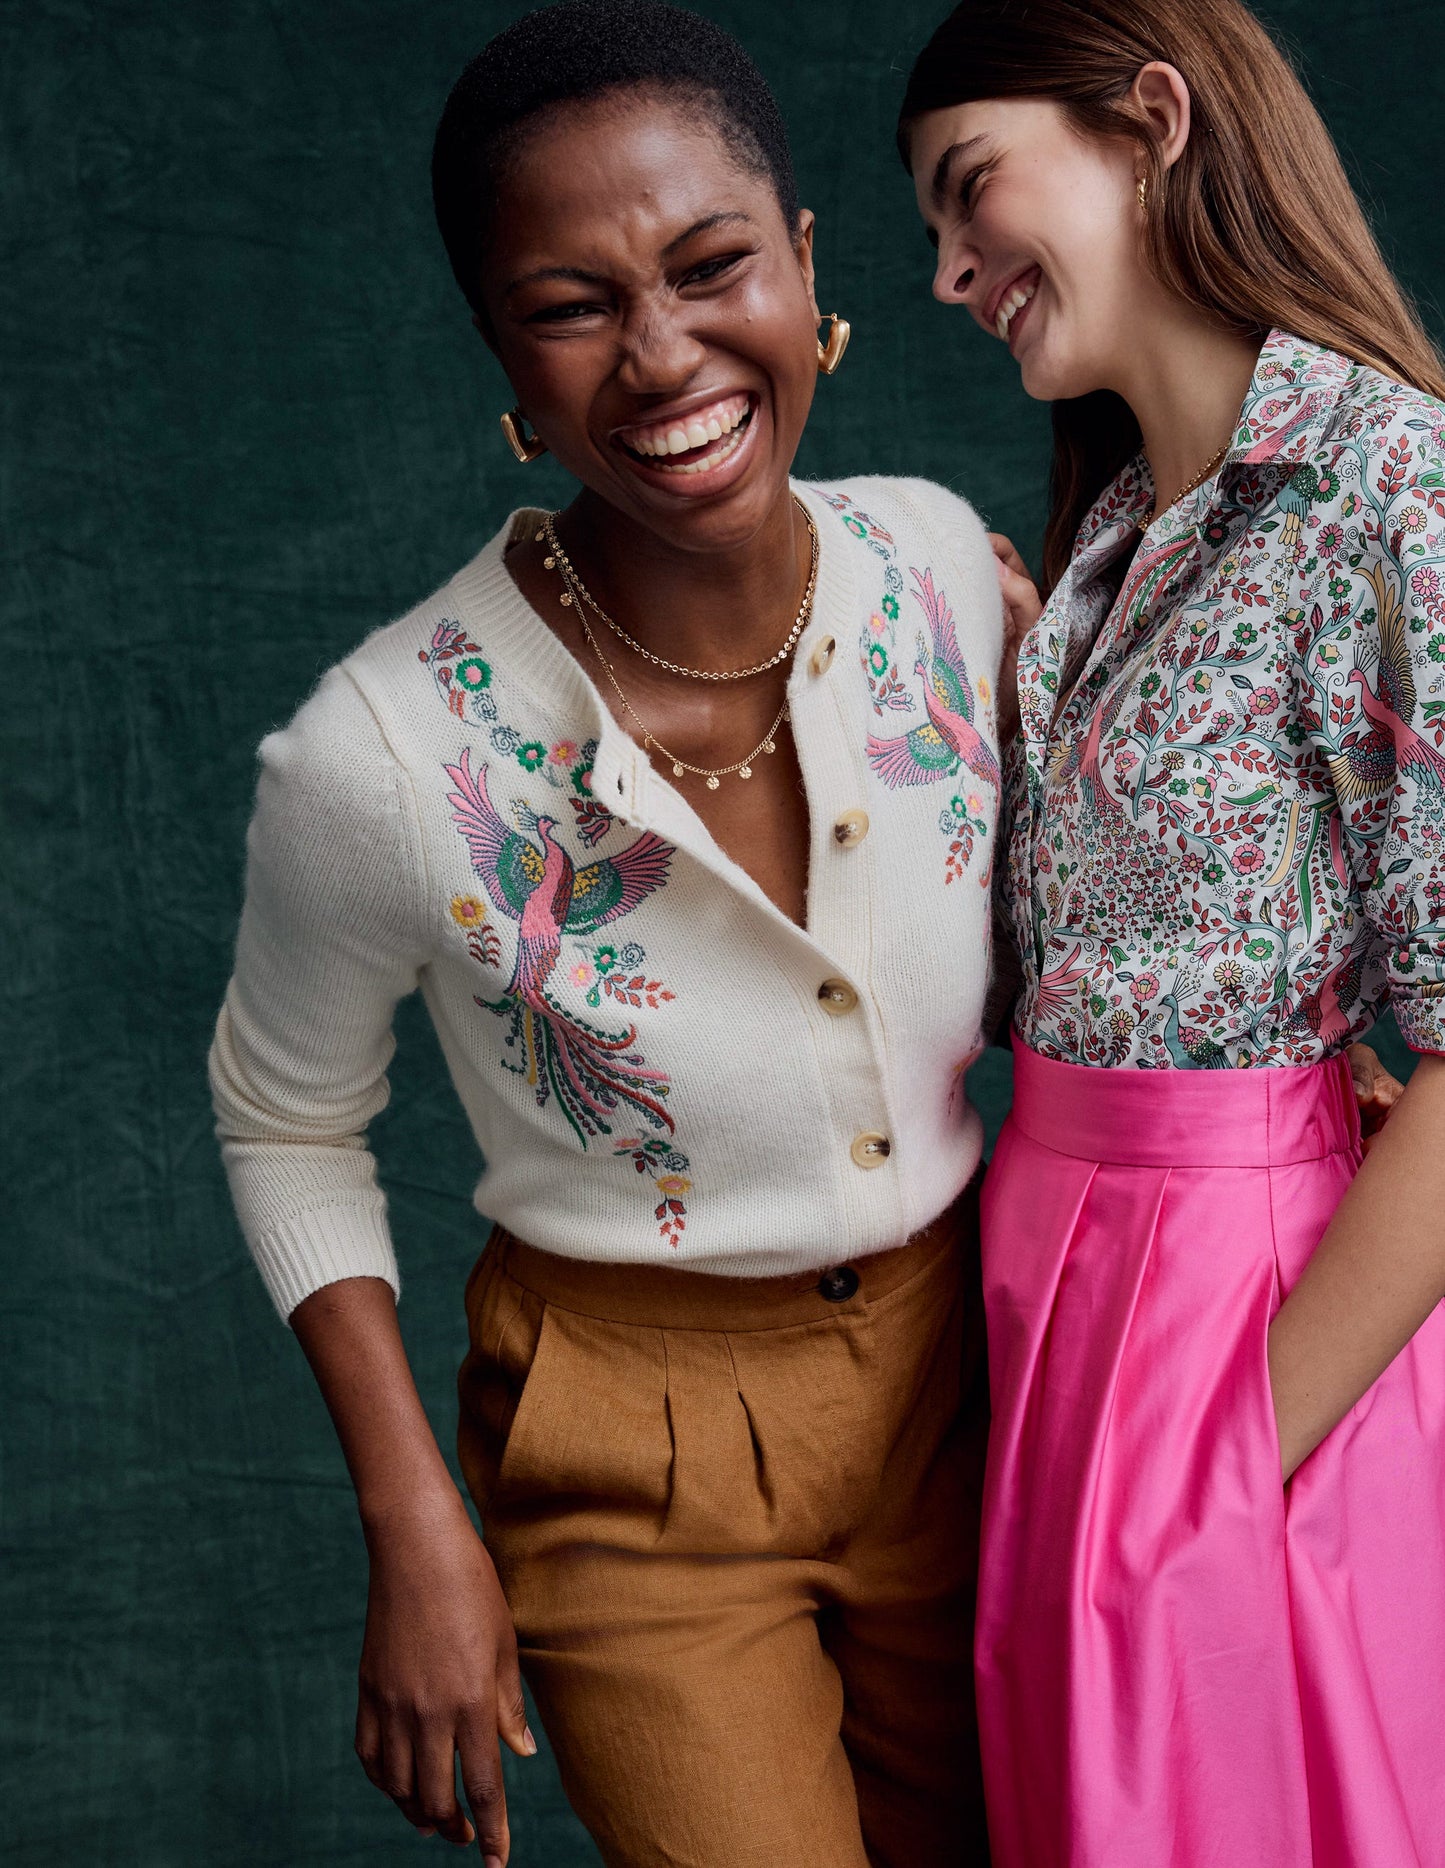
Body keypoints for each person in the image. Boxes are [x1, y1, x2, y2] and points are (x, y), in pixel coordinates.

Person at [209, 3, 1008, 1863]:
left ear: (804, 268)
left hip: (988, 1386)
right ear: (506, 358)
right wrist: (415, 1526)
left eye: (710, 264)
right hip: (631, 1453)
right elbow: (282, 1118)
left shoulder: (949, 570)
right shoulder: (381, 747)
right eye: (569, 304)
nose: (660, 355)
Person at [898, 2, 1445, 1863]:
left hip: (1238, 1320)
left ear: (1149, 121)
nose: (950, 271)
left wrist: (1233, 1460)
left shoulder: (1391, 485)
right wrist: (1022, 653)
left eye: (969, 193)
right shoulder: (1125, 532)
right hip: (1053, 1303)